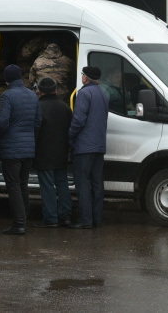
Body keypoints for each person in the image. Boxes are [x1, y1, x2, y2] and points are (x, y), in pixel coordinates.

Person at [0, 64, 42, 235]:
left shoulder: (7, 96)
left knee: (13, 185)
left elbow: (2, 122)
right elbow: (38, 121)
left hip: (11, 148)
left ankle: (19, 223)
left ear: (7, 80)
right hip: (28, 147)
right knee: (23, 184)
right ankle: (24, 217)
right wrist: (30, 137)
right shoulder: (32, 95)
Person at [67, 66, 108, 229]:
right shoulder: (103, 94)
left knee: (83, 184)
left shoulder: (84, 93)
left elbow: (78, 120)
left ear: (85, 78)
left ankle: (85, 220)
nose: (82, 77)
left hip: (84, 146)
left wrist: (70, 135)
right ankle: (97, 219)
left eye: (83, 75)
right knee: (97, 185)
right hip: (99, 145)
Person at [32, 78, 73, 228]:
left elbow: (35, 131)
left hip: (43, 153)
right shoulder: (65, 107)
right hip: (61, 152)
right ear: (55, 90)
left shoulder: (38, 107)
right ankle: (66, 215)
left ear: (40, 91)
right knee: (62, 184)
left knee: (47, 186)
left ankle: (51, 218)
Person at [29, 40, 76, 104]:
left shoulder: (38, 61)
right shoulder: (68, 62)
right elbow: (74, 79)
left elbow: (31, 80)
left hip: (41, 97)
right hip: (62, 98)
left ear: (46, 50)